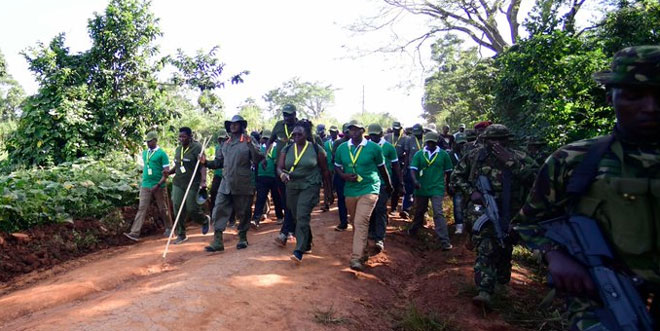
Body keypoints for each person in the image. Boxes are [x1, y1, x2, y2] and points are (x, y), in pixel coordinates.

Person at [514, 45, 660, 329]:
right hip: (604, 302)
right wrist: (555, 255)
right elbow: (529, 223)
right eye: (634, 95)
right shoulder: (574, 160)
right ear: (610, 98)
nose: (651, 107)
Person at [450, 124, 537, 308]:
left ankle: (501, 281)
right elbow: (456, 177)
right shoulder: (475, 157)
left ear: (508, 140)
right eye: (491, 140)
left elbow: (536, 180)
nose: (495, 144)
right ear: (485, 140)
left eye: (500, 140)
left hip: (511, 213)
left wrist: (510, 162)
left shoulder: (519, 157)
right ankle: (484, 290)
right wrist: (471, 192)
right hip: (482, 211)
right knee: (486, 247)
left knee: (504, 247)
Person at [334, 120, 393, 271]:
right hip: (351, 190)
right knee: (355, 222)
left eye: (356, 130)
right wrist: (344, 176)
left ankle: (356, 258)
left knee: (361, 222)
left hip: (370, 188)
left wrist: (390, 185)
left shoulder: (373, 148)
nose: (353, 132)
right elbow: (337, 167)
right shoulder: (342, 148)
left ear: (362, 131)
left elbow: (382, 168)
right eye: (350, 130)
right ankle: (364, 250)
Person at [201, 115, 264, 251]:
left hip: (243, 183)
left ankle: (242, 237)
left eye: (236, 124)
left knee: (244, 212)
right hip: (226, 184)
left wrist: (251, 145)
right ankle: (218, 241)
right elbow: (219, 163)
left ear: (242, 126)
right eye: (231, 124)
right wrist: (205, 163)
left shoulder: (249, 140)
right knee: (218, 209)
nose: (232, 126)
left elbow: (258, 158)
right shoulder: (226, 144)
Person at [276, 120, 333, 263]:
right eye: (294, 134)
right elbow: (279, 167)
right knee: (297, 217)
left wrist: (328, 192)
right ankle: (307, 242)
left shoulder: (316, 149)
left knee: (302, 215)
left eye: (299, 134)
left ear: (306, 134)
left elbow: (325, 171)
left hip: (310, 186)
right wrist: (282, 174)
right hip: (292, 187)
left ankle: (299, 250)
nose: (296, 136)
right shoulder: (287, 149)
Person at [408, 131, 454, 250]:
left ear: (436, 142)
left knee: (438, 212)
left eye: (432, 143)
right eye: (428, 142)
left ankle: (444, 240)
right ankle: (413, 231)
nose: (430, 145)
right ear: (425, 142)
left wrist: (448, 186)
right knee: (420, 210)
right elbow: (413, 169)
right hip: (421, 188)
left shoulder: (443, 155)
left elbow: (449, 172)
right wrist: (415, 181)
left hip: (437, 188)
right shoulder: (419, 154)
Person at [123, 131, 173, 241]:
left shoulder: (162, 154)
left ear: (155, 140)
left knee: (163, 208)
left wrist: (159, 184)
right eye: (147, 141)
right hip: (145, 184)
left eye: (150, 141)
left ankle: (169, 228)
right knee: (142, 208)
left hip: (159, 185)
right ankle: (134, 233)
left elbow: (166, 172)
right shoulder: (145, 153)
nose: (148, 143)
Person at [167, 127, 211, 245]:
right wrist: (169, 173)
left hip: (193, 182)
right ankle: (181, 234)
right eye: (180, 137)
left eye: (184, 137)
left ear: (190, 137)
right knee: (177, 206)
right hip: (178, 182)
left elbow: (202, 165)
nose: (181, 139)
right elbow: (178, 166)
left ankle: (204, 220)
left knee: (192, 208)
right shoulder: (178, 149)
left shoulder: (197, 148)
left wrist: (203, 181)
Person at [367, 123, 403, 252]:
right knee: (369, 209)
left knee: (380, 209)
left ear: (381, 135)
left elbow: (396, 166)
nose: (372, 137)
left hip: (383, 183)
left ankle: (380, 238)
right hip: (368, 183)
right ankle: (370, 232)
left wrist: (399, 184)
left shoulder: (389, 148)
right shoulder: (366, 147)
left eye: (375, 135)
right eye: (370, 135)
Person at [266, 104, 297, 238]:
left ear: (295, 114)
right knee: (284, 199)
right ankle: (289, 227)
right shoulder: (278, 126)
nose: (287, 117)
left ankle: (290, 228)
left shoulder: (300, 126)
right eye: (285, 114)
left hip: (296, 169)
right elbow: (270, 141)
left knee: (294, 199)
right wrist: (264, 156)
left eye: (290, 114)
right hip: (279, 169)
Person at [252, 130, 284, 228]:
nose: (265, 140)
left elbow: (278, 162)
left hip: (274, 177)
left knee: (276, 198)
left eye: (267, 138)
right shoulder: (259, 149)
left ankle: (280, 217)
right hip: (262, 177)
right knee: (260, 198)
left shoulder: (276, 149)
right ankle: (255, 219)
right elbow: (256, 163)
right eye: (264, 138)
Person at [400, 123, 424, 219]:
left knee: (420, 190)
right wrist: (405, 168)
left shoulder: (427, 140)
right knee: (408, 189)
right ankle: (406, 209)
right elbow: (407, 154)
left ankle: (419, 210)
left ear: (422, 132)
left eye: (418, 133)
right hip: (411, 168)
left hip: (423, 170)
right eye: (415, 133)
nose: (417, 135)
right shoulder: (409, 140)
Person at [331, 123, 351, 231]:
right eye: (347, 132)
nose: (350, 134)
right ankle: (343, 222)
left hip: (354, 176)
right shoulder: (338, 143)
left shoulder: (357, 144)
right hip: (341, 175)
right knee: (341, 199)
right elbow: (334, 159)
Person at [385, 121, 407, 214]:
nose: (396, 130)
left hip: (398, 165)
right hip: (387, 165)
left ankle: (393, 208)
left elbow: (407, 153)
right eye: (395, 129)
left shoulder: (405, 138)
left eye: (398, 129)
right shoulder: (387, 137)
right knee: (385, 185)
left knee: (396, 186)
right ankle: (384, 206)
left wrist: (404, 166)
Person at [209, 129, 228, 218]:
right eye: (220, 139)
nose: (222, 141)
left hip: (228, 174)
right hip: (218, 173)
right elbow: (217, 161)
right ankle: (213, 214)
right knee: (213, 191)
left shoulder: (230, 147)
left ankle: (230, 217)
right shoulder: (217, 148)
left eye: (224, 139)